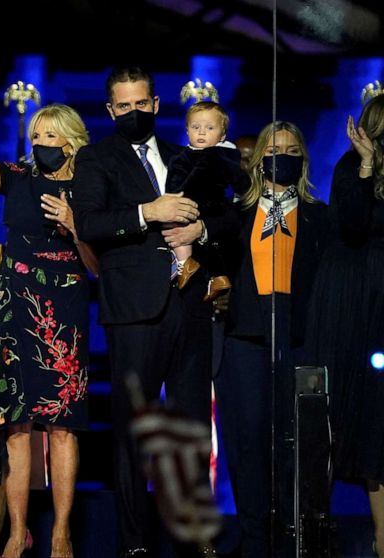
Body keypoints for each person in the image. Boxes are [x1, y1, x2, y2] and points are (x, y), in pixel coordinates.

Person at [71, 66, 236, 557]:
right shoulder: (96, 159)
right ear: (110, 110)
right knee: (133, 429)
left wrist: (198, 232)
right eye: (123, 106)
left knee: (191, 425)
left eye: (141, 103)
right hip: (134, 310)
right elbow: (91, 223)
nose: (133, 112)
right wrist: (150, 213)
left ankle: (194, 535)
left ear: (157, 104)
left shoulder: (185, 154)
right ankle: (134, 543)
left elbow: (226, 214)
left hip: (190, 302)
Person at [0, 52, 96, 558]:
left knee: (61, 424)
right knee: (16, 422)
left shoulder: (88, 188)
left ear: (72, 142)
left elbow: (97, 266)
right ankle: (17, 531)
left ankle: (61, 531)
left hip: (63, 307)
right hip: (14, 300)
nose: (40, 144)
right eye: (35, 136)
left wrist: (75, 223)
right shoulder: (17, 176)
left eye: (50, 137)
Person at [214, 120, 327, 558]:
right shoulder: (237, 215)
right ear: (259, 159)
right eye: (276, 148)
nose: (284, 154)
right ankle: (255, 538)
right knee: (249, 441)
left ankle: (297, 536)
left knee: (299, 442)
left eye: (293, 148)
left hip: (299, 339)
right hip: (245, 338)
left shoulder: (320, 216)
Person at [306, 95, 384, 557]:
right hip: (363, 308)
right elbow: (351, 228)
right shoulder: (350, 168)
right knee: (364, 423)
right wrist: (368, 165)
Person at [165, 101, 244, 299]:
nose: (201, 133)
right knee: (207, 244)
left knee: (175, 226)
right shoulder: (225, 156)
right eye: (196, 127)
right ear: (187, 130)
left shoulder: (198, 157)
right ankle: (218, 276)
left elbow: (176, 184)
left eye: (210, 128)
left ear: (222, 135)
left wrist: (173, 196)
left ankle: (185, 263)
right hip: (208, 207)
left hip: (203, 206)